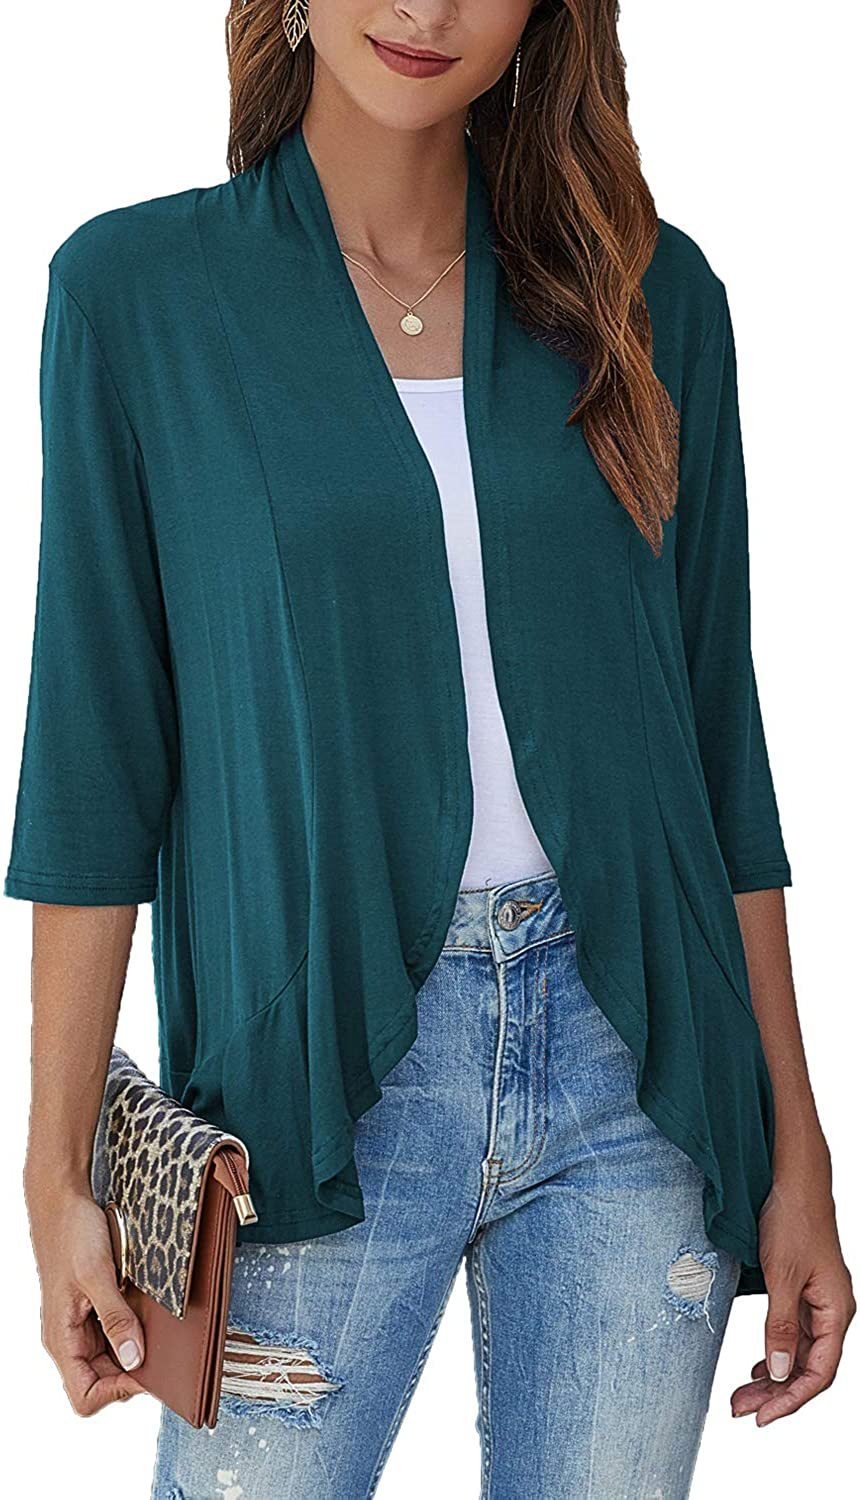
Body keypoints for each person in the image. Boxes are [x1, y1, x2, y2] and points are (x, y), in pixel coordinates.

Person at [7, 2, 853, 1496]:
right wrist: (54, 1163)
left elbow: (722, 748)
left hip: (636, 1071)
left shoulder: (652, 297)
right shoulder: (139, 296)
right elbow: (95, 756)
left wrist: (800, 1146)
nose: (426, 7)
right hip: (308, 1084)